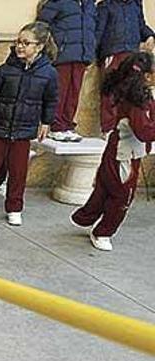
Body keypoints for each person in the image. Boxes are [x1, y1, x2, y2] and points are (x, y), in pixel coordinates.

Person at [0, 21, 59, 227]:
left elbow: (51, 100)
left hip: (23, 132)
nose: (20, 46)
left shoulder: (49, 74)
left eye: (26, 43)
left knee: (18, 173)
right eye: (18, 42)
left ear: (40, 46)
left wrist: (46, 122)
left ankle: (14, 208)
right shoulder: (5, 71)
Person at [71, 51, 155, 251]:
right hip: (123, 154)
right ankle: (103, 232)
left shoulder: (134, 94)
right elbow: (144, 131)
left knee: (105, 186)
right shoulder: (138, 101)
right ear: (147, 76)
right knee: (122, 195)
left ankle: (85, 217)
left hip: (119, 149)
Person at [37, 0, 98, 143]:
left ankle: (67, 124)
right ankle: (55, 125)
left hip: (82, 55)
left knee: (74, 93)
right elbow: (42, 25)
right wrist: (51, 48)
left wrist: (90, 51)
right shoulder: (58, 2)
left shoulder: (89, 5)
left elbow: (92, 29)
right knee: (60, 91)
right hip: (62, 55)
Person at [95, 0, 155, 134]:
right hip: (112, 53)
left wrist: (150, 35)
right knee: (110, 91)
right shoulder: (105, 6)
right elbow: (98, 32)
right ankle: (109, 128)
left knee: (132, 91)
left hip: (132, 55)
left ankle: (127, 126)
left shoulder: (135, 4)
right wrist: (91, 56)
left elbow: (141, 25)